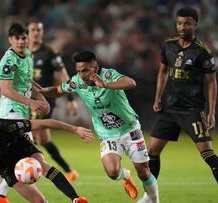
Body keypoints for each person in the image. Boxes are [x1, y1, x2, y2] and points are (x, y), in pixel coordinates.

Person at [36, 51, 159, 202]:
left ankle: (153, 200)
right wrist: (43, 91)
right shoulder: (77, 81)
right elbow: (57, 90)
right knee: (112, 172)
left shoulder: (108, 75)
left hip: (130, 130)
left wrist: (106, 85)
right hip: (107, 134)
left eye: (85, 70)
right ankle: (125, 175)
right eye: (79, 71)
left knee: (143, 172)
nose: (82, 75)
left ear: (95, 68)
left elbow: (131, 83)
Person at [144, 7, 218, 203]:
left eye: (187, 23)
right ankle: (149, 197)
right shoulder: (168, 46)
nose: (182, 26)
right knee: (152, 152)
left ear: (195, 25)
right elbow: (162, 72)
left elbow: (212, 82)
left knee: (207, 153)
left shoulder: (202, 51)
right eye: (179, 23)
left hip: (192, 110)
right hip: (168, 109)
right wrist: (158, 97)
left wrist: (211, 112)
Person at [0, 114, 93, 203]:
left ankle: (75, 198)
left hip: (23, 149)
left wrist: (75, 129)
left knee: (41, 165)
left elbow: (44, 123)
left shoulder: (8, 126)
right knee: (39, 201)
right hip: (6, 168)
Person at [0, 23, 50, 203]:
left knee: (18, 154)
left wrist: (40, 95)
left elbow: (27, 79)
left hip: (21, 110)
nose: (20, 41)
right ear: (10, 40)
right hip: (10, 111)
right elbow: (6, 90)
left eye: (23, 37)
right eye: (16, 38)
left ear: (27, 38)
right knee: (24, 153)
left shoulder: (28, 55)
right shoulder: (8, 60)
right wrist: (32, 102)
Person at [28, 20, 79, 182]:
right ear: (28, 33)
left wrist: (70, 99)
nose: (36, 33)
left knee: (31, 134)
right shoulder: (22, 52)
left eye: (39, 30)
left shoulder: (50, 52)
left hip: (44, 100)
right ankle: (69, 170)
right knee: (44, 140)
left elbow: (63, 74)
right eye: (33, 30)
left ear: (42, 33)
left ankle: (28, 172)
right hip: (26, 99)